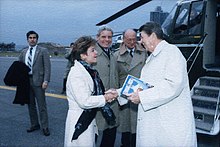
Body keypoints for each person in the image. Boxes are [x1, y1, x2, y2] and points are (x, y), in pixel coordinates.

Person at [125, 22, 197, 146]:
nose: (140, 41)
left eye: (142, 37)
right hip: (157, 123)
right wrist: (119, 92)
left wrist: (142, 97)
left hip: (169, 125)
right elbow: (146, 85)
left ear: (152, 36)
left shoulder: (171, 53)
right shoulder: (155, 56)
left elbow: (173, 85)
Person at [64, 36, 118, 147]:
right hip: (80, 119)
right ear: (83, 55)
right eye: (92, 50)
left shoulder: (88, 71)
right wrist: (105, 98)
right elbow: (84, 101)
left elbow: (91, 93)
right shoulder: (77, 74)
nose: (96, 53)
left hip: (88, 118)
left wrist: (106, 94)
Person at [114, 29, 147, 147]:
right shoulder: (116, 55)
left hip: (140, 93)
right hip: (124, 94)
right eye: (129, 40)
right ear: (123, 39)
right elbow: (115, 77)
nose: (133, 42)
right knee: (125, 125)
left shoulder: (144, 52)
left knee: (138, 125)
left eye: (135, 39)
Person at [18, 30, 51, 136]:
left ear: (37, 39)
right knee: (30, 105)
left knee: (42, 106)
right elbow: (19, 66)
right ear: (27, 39)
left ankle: (45, 127)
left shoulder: (43, 51)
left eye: (34, 38)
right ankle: (34, 124)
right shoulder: (24, 52)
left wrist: (46, 80)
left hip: (39, 82)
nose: (32, 39)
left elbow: (47, 67)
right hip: (27, 82)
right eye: (30, 38)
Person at [93, 25, 119, 147]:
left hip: (112, 100)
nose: (106, 39)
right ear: (97, 38)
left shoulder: (112, 55)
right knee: (94, 132)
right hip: (97, 100)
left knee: (111, 131)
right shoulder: (92, 54)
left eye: (109, 37)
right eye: (103, 37)